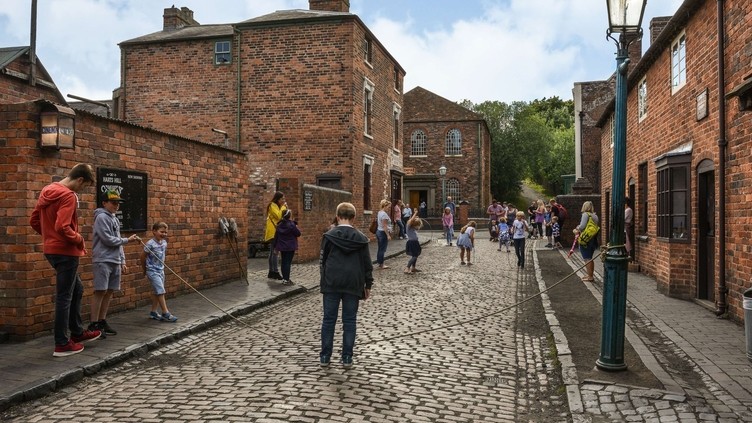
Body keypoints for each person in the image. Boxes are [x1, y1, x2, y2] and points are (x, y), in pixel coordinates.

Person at [30, 163, 102, 357]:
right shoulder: (68, 195)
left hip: (51, 250)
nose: (82, 190)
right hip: (66, 252)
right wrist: (78, 239)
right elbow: (63, 227)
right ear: (80, 179)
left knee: (76, 289)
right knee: (64, 296)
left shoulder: (47, 190)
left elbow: (34, 220)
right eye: (84, 186)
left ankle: (77, 332)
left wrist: (49, 237)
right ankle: (62, 343)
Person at [319, 202, 373, 368]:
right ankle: (347, 357)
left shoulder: (328, 236)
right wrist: (368, 285)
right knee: (349, 320)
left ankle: (325, 356)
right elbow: (367, 264)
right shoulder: (361, 239)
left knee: (329, 320)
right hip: (353, 283)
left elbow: (323, 260)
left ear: (337, 216)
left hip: (332, 282)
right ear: (354, 218)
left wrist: (324, 279)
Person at [89, 190, 139, 338]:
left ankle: (102, 320)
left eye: (118, 203)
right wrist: (127, 240)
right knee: (100, 291)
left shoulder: (114, 219)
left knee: (109, 291)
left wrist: (122, 260)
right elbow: (107, 239)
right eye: (113, 202)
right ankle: (93, 324)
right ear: (104, 203)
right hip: (103, 259)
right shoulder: (101, 217)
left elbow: (118, 243)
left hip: (114, 260)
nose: (116, 205)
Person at [140, 222, 178, 322]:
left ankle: (153, 312)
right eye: (162, 232)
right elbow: (142, 256)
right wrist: (144, 269)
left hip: (161, 270)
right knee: (160, 290)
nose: (164, 234)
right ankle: (165, 313)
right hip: (152, 271)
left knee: (157, 291)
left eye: (166, 232)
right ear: (154, 231)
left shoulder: (164, 242)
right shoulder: (150, 244)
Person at [573, 201, 600, 282]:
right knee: (590, 258)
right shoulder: (595, 216)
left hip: (585, 239)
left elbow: (582, 226)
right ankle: (590, 274)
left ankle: (590, 277)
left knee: (587, 258)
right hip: (593, 238)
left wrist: (576, 229)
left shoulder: (585, 214)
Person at [264, 191, 287, 280]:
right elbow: (278, 216)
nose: (283, 200)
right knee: (275, 253)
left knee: (272, 252)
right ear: (277, 199)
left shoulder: (277, 206)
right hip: (273, 232)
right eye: (282, 199)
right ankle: (275, 272)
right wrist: (284, 207)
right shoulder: (272, 205)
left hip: (275, 231)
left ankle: (271, 271)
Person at [275, 209, 301, 285]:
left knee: (283, 262)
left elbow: (276, 236)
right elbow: (298, 233)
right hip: (290, 246)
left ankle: (284, 279)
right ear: (289, 216)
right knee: (287, 263)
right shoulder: (292, 225)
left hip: (282, 246)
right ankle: (287, 279)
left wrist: (275, 247)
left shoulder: (279, 225)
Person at [375, 199, 392, 269]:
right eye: (388, 207)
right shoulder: (384, 215)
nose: (389, 208)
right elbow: (384, 226)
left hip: (378, 231)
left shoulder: (379, 212)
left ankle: (379, 262)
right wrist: (388, 235)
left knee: (380, 248)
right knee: (382, 249)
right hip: (382, 233)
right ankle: (382, 264)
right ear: (385, 206)